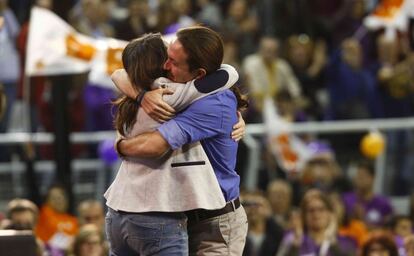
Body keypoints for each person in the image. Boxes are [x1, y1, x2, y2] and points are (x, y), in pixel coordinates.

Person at [114, 26, 249, 255]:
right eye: (167, 57)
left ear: (200, 74)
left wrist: (120, 144)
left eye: (174, 63)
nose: (165, 66)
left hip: (216, 225)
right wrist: (141, 95)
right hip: (181, 217)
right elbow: (119, 73)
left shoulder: (212, 103)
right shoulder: (182, 89)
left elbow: (155, 145)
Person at [277, 189, 357, 256]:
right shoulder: (292, 239)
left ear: (330, 214)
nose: (316, 214)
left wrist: (333, 243)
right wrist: (295, 247)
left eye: (321, 209)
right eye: (311, 210)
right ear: (303, 216)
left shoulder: (345, 242)